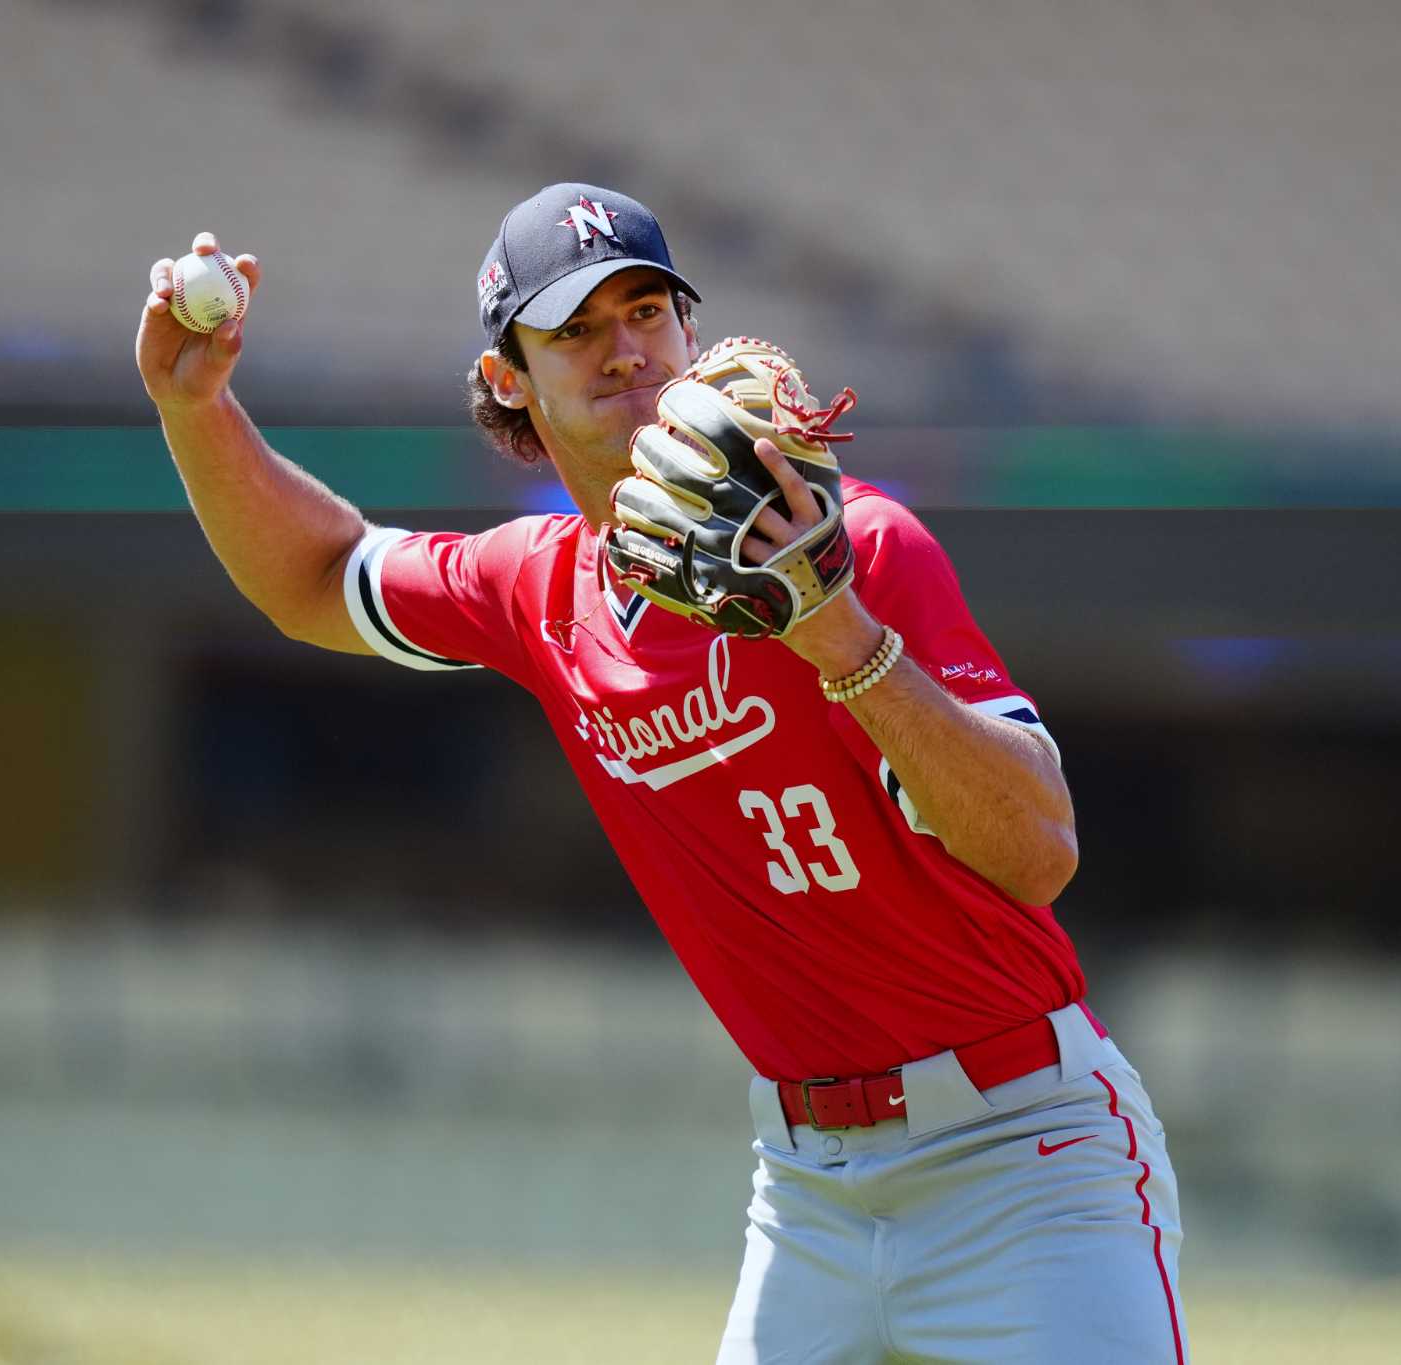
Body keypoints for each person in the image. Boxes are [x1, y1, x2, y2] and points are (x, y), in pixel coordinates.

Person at [134, 183, 1186, 1363]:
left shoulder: (855, 545)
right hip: (809, 1193)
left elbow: (1037, 852)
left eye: (646, 309)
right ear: (507, 384)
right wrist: (196, 409)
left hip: (1021, 1161)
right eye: (575, 328)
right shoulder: (536, 588)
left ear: (691, 336)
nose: (623, 348)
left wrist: (833, 632)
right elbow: (318, 579)